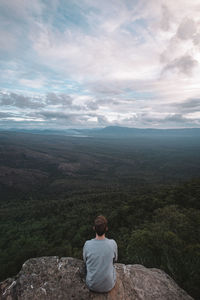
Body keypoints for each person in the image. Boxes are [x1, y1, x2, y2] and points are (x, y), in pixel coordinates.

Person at [83, 215, 118, 293]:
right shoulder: (112, 243)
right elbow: (115, 260)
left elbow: (85, 261)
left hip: (91, 285)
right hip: (109, 285)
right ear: (106, 229)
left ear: (94, 228)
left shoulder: (87, 244)